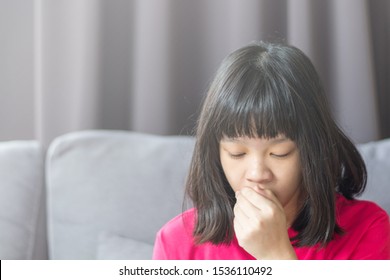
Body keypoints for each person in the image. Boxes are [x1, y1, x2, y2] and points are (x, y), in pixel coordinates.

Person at [152, 41, 390, 260]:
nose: (257, 173)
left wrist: (278, 257)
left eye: (279, 153)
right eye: (237, 153)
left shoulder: (369, 231)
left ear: (313, 151)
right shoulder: (175, 243)